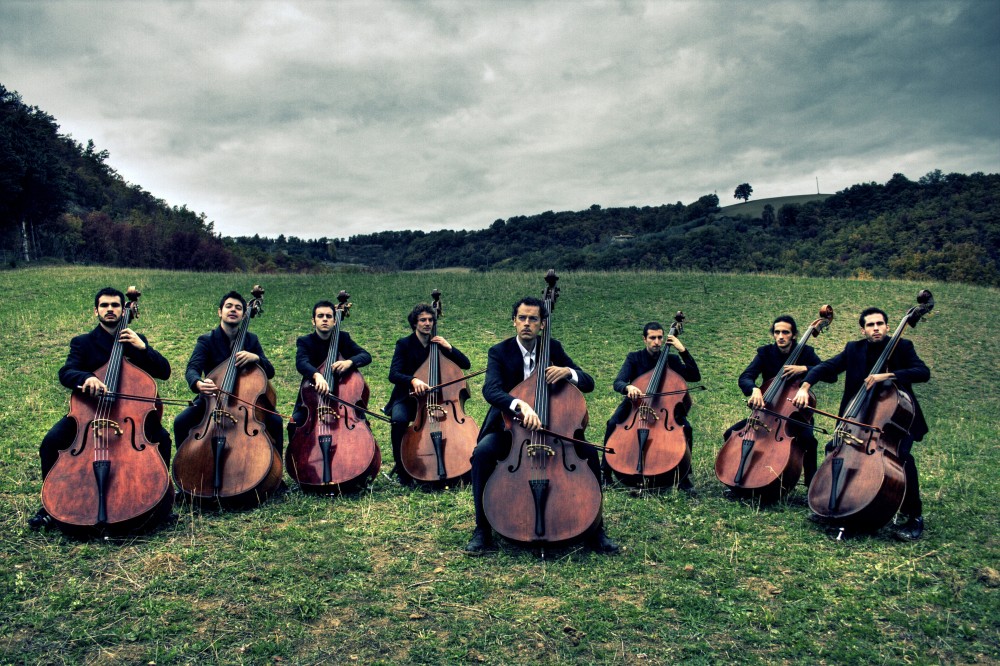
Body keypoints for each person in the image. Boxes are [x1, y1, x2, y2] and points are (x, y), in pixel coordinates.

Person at [465, 296, 618, 554]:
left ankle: (596, 531)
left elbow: (589, 382)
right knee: (482, 454)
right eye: (522, 318)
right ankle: (482, 530)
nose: (527, 323)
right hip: (511, 430)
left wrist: (569, 372)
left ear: (542, 324)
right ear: (514, 321)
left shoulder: (553, 348)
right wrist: (520, 405)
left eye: (533, 319)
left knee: (590, 453)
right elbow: (491, 390)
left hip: (554, 430)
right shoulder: (499, 352)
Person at [29, 287, 172, 529]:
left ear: (123, 311)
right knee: (51, 442)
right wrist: (86, 378)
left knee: (163, 439)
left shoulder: (135, 340)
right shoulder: (83, 343)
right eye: (104, 305)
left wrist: (143, 349)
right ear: (96, 311)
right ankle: (50, 507)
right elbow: (66, 372)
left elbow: (164, 372)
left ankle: (159, 505)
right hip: (89, 414)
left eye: (115, 305)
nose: (110, 309)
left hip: (131, 416)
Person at [792, 307, 930, 540]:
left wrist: (887, 376)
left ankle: (913, 516)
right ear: (863, 330)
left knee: (903, 459)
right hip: (857, 418)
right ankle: (836, 504)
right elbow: (827, 367)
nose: (875, 328)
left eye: (879, 324)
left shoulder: (903, 346)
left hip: (895, 421)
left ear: (887, 326)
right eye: (870, 325)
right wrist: (805, 387)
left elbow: (922, 372)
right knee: (833, 449)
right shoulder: (853, 349)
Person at [173, 291, 283, 455]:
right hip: (213, 401)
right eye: (229, 306)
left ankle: (275, 469)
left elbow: (270, 372)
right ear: (220, 312)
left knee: (275, 421)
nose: (233, 310)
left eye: (238, 308)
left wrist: (257, 358)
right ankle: (187, 465)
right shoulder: (206, 340)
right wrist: (198, 383)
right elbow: (192, 368)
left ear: (244, 315)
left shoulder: (251, 340)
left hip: (245, 401)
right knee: (181, 421)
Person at [722, 315, 821, 488]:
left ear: (794, 335)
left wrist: (804, 368)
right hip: (767, 412)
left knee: (809, 441)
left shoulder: (806, 353)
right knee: (730, 433)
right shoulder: (765, 353)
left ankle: (811, 486)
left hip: (794, 414)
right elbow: (745, 376)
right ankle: (740, 476)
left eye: (785, 332)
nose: (780, 336)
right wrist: (754, 389)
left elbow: (830, 374)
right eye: (777, 332)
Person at [603, 321, 701, 489]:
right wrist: (628, 387)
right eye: (652, 338)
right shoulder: (634, 358)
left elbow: (694, 376)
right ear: (645, 339)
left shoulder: (671, 360)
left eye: (660, 338)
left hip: (664, 407)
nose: (657, 342)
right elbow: (618, 382)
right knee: (612, 423)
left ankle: (684, 477)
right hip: (636, 405)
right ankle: (605, 473)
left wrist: (682, 350)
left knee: (687, 428)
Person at [384, 303, 470, 486]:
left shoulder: (438, 344)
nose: (427, 323)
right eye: (423, 320)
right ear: (415, 323)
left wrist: (449, 347)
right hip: (408, 398)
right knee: (398, 421)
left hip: (440, 400)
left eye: (430, 320)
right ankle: (402, 472)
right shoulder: (404, 344)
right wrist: (413, 380)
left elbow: (466, 364)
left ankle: (453, 462)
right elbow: (393, 374)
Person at [288, 300, 372, 443]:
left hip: (343, 397)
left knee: (364, 427)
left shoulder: (343, 338)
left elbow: (366, 356)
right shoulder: (305, 341)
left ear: (335, 321)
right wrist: (316, 375)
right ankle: (297, 457)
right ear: (313, 321)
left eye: (328, 316)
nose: (325, 319)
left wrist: (349, 362)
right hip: (312, 398)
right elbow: (301, 362)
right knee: (294, 423)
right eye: (320, 316)